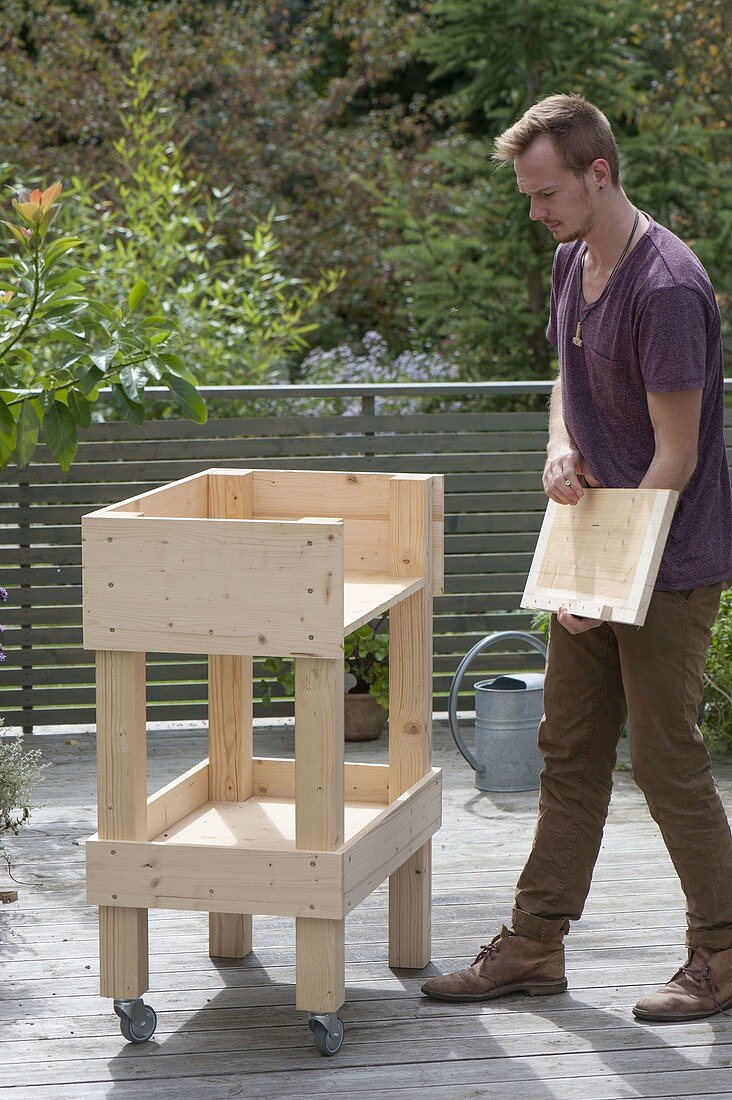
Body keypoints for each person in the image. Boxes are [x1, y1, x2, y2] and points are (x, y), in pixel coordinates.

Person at [421, 93, 732, 1022]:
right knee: (568, 750)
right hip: (589, 546)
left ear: (599, 174)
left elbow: (674, 458)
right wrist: (559, 443)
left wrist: (608, 583)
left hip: (667, 562)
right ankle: (534, 944)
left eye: (547, 193)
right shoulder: (572, 261)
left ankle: (720, 949)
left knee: (668, 759)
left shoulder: (666, 288)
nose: (535, 212)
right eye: (528, 195)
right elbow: (567, 374)